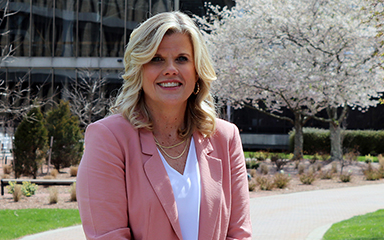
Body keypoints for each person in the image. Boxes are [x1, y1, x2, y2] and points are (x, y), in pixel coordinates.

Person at [76, 11, 252, 240]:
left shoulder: (225, 137)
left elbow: (239, 234)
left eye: (182, 59)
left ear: (197, 71)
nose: (171, 69)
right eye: (157, 59)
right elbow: (108, 235)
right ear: (139, 69)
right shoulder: (109, 138)